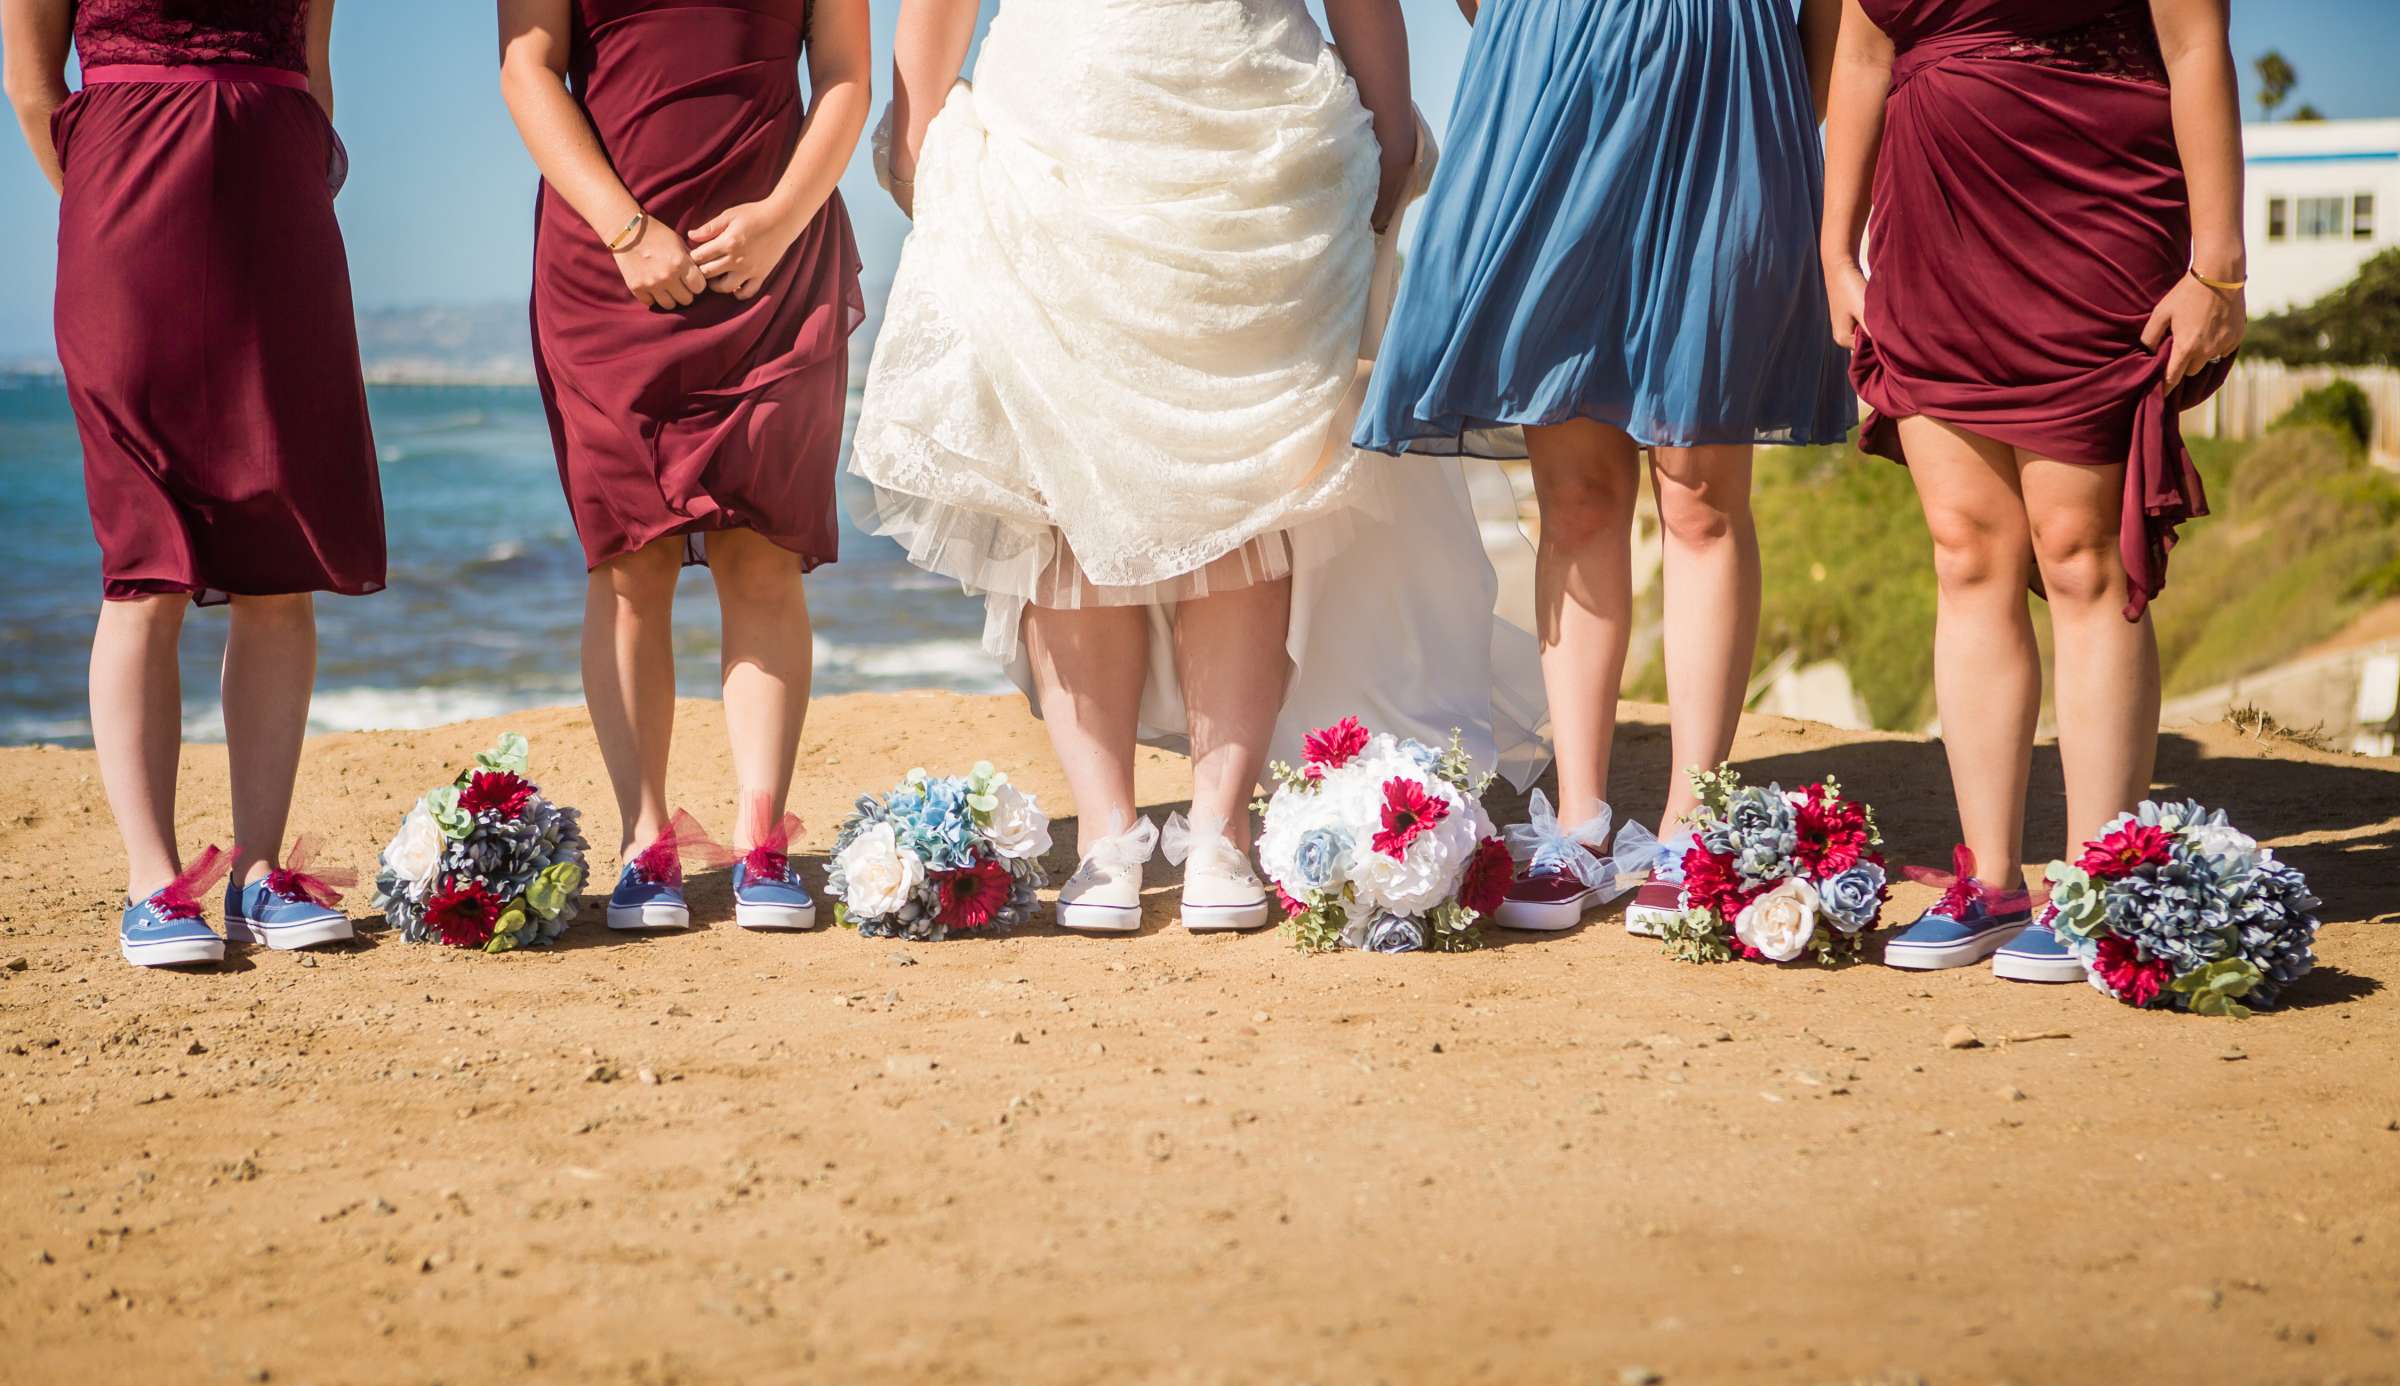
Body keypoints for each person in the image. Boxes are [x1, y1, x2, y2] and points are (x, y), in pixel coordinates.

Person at [854, 0, 1547, 937]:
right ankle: (1109, 834)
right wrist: (923, 132)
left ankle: (1219, 830)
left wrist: (1386, 126)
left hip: (1254, 136)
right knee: (1060, 495)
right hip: (1054, 129)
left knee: (1246, 489)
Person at [1355, 0, 1854, 938]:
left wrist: (1784, 109)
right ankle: (1578, 823)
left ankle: (1690, 824)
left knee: (1700, 492)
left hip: (1726, 88)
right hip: (1552, 82)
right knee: (1575, 493)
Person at [1820, 0, 2244, 979]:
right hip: (1931, 224)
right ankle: (1992, 879)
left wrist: (2217, 259)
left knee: (2081, 552)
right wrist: (1837, 246)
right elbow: (1862, 49)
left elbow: (2192, 41)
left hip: (2092, 205)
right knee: (1966, 549)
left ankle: (2101, 882)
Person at [3, 0, 386, 967]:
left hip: (278, 209)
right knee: (147, 557)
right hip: (126, 206)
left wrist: (290, 182)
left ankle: (259, 874)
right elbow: (33, 83)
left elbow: (312, 64)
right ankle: (154, 880)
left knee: (278, 549)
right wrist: (102, 194)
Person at [498, 0, 866, 933]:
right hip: (608, 267)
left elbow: (844, 78)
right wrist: (626, 231)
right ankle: (645, 841)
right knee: (630, 562)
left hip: (772, 265)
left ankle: (761, 842)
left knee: (764, 553)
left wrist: (784, 218)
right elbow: (528, 67)